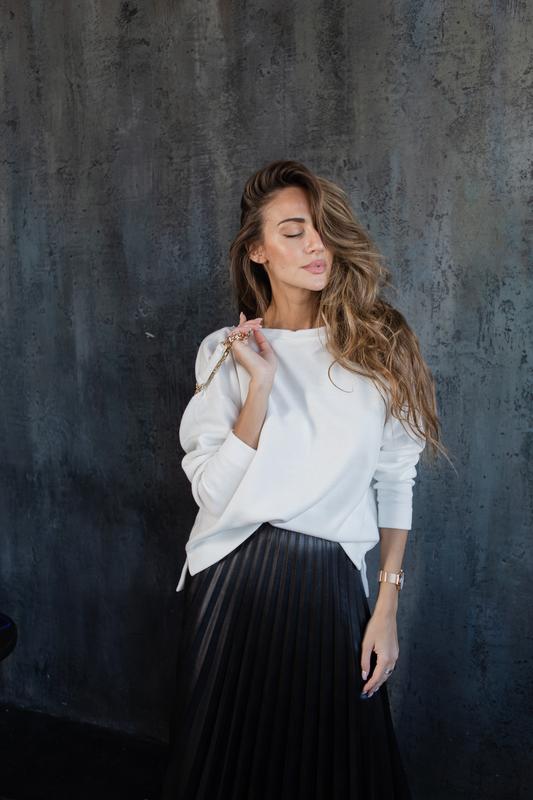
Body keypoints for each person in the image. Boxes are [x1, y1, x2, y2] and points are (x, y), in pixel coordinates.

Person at [160, 159, 445, 799]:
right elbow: (213, 493)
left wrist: (386, 605)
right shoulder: (225, 351)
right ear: (257, 250)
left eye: (321, 229)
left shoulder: (379, 347)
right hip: (230, 579)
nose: (316, 244)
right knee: (218, 776)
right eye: (293, 231)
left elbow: (396, 479)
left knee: (333, 771)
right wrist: (259, 387)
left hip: (327, 584)